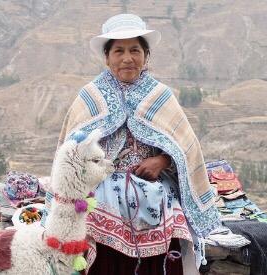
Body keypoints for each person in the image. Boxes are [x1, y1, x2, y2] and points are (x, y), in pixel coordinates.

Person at [55, 14, 221, 275]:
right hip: (101, 190)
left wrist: (162, 160)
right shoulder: (90, 96)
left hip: (154, 189)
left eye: (135, 50)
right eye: (118, 51)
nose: (127, 58)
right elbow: (70, 154)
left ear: (146, 55)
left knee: (168, 225)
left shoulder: (160, 96)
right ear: (107, 57)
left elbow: (186, 148)